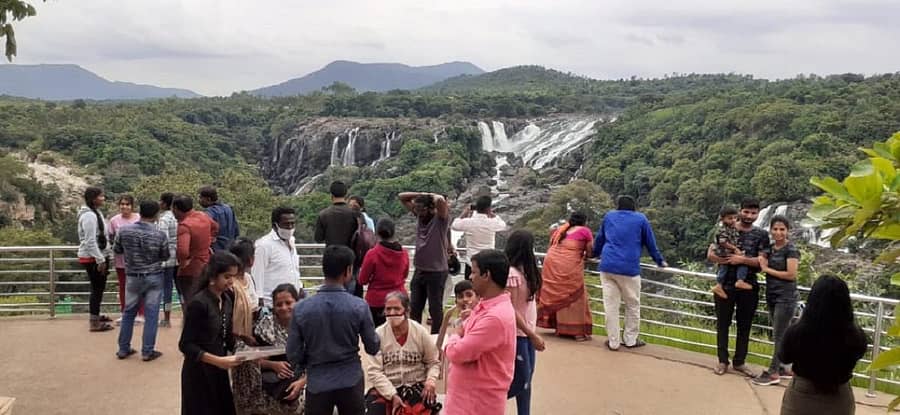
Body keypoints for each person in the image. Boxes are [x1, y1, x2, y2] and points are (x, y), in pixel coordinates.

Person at [287, 245, 380, 415]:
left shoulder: (301, 309)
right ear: (348, 270)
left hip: (317, 382)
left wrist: (307, 363)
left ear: (324, 269)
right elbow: (373, 347)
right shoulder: (359, 306)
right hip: (350, 379)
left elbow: (293, 352)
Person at [778, 275, 867, 415]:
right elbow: (858, 354)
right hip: (839, 396)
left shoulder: (797, 332)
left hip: (802, 395)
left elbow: (784, 357)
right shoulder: (855, 335)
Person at [443, 250, 516, 415]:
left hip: (476, 403)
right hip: (466, 398)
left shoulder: (495, 318)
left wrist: (455, 334)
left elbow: (456, 353)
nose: (470, 277)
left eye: (474, 272)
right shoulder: (485, 306)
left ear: (486, 275)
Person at [593, 196, 668, 350]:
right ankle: (630, 340)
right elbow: (650, 243)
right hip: (629, 269)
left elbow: (600, 239)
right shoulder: (641, 219)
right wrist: (659, 261)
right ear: (634, 207)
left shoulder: (609, 216)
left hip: (607, 267)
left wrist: (593, 254)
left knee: (611, 306)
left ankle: (613, 342)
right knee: (632, 304)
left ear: (618, 206)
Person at [707, 198, 770, 377]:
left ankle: (740, 362)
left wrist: (742, 260)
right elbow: (711, 253)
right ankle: (722, 361)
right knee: (722, 324)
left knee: (745, 326)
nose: (749, 216)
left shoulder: (761, 235)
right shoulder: (726, 229)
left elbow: (762, 262)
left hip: (748, 286)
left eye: (753, 213)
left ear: (758, 214)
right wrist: (724, 259)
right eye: (746, 212)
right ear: (739, 211)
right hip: (725, 286)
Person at [178, 251, 246, 415]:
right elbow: (186, 345)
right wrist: (217, 360)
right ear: (213, 276)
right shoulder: (199, 303)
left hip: (219, 369)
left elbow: (226, 336)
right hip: (198, 372)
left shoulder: (227, 299)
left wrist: (248, 350)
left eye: (234, 277)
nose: (231, 282)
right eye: (227, 277)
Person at [233, 284, 307, 415]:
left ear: (297, 302)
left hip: (303, 379)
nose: (284, 308)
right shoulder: (265, 326)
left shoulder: (307, 325)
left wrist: (301, 382)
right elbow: (249, 355)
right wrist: (273, 365)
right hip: (270, 382)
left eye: (288, 303)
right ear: (273, 306)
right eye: (279, 304)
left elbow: (318, 359)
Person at [364, 291, 441, 415]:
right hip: (386, 388)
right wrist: (392, 395)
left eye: (396, 308)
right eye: (388, 309)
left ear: (406, 311)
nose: (392, 313)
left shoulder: (420, 332)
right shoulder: (378, 334)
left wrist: (430, 381)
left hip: (415, 386)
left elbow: (433, 362)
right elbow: (374, 371)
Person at [113, 201, 169, 361]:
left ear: (140, 212)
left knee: (129, 312)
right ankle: (147, 351)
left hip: (132, 276)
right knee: (151, 314)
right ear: (156, 215)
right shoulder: (159, 235)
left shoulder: (124, 231)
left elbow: (117, 250)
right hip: (154, 277)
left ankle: (123, 349)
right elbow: (165, 256)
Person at [752, 215, 801, 386]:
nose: (778, 232)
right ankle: (784, 367)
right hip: (772, 295)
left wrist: (766, 269)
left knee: (779, 336)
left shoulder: (791, 250)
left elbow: (791, 274)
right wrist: (761, 259)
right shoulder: (771, 248)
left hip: (786, 297)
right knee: (780, 333)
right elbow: (761, 256)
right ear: (770, 230)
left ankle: (773, 373)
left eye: (782, 229)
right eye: (775, 229)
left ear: (788, 231)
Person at [505, 230, 546, 415]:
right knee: (521, 380)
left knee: (527, 380)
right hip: (518, 334)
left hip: (527, 334)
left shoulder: (527, 272)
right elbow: (509, 309)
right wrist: (532, 334)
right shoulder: (512, 274)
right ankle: (487, 403)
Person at [398, 192, 451, 335]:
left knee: (435, 308)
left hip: (437, 271)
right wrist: (421, 195)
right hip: (420, 269)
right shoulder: (420, 217)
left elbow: (440, 200)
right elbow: (402, 196)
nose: (419, 213)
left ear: (431, 208)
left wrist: (430, 196)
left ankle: (435, 338)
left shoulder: (440, 220)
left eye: (423, 210)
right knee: (415, 307)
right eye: (417, 209)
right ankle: (415, 336)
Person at [537, 212, 594, 342]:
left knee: (559, 294)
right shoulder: (585, 231)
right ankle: (576, 332)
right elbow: (590, 251)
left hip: (551, 263)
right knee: (574, 295)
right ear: (584, 221)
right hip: (568, 265)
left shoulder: (562, 230)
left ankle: (558, 326)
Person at [358, 218, 409, 327]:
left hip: (376, 302)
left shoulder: (372, 254)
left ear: (377, 233)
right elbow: (404, 275)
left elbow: (362, 280)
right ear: (394, 232)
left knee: (377, 337)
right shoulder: (403, 253)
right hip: (399, 299)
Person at [315, 181, 363, 295]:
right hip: (350, 261)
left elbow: (318, 238)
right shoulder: (354, 214)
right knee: (350, 295)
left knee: (331, 294)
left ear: (331, 195)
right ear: (346, 195)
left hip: (330, 260)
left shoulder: (323, 214)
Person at [77, 186, 114, 332]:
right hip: (93, 258)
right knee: (97, 289)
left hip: (98, 255)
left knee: (99, 288)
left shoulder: (95, 213)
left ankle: (96, 315)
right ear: (94, 199)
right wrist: (100, 259)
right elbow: (90, 241)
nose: (103, 198)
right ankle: (94, 322)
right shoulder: (89, 216)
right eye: (101, 196)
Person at [173, 195, 219, 306]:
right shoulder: (203, 216)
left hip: (190, 269)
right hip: (206, 265)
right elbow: (215, 227)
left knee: (190, 301)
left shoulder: (184, 226)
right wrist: (209, 240)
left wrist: (183, 262)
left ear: (176, 208)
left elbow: (183, 251)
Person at [252, 207, 301, 308]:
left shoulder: (291, 241)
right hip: (271, 304)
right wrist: (259, 301)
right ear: (275, 225)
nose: (290, 227)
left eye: (292, 223)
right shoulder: (264, 245)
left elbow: (294, 269)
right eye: (286, 224)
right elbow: (257, 274)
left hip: (291, 303)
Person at [451, 195, 507, 280]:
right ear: (488, 208)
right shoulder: (492, 223)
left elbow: (454, 225)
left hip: (471, 264)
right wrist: (491, 214)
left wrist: (465, 212)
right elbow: (503, 224)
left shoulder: (469, 222)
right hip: (488, 263)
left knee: (469, 290)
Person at [108, 194, 141, 324]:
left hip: (138, 261)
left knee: (138, 287)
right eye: (122, 204)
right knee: (123, 287)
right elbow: (110, 238)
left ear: (132, 206)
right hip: (121, 260)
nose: (124, 206)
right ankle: (125, 313)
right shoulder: (114, 221)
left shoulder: (139, 218)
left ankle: (140, 314)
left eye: (127, 204)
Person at [228, 237, 262, 346]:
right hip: (235, 340)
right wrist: (242, 337)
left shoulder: (248, 279)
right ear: (251, 260)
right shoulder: (230, 285)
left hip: (251, 334)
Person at [711, 207, 751, 299]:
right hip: (724, 252)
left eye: (735, 218)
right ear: (723, 219)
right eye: (730, 218)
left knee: (725, 267)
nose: (733, 220)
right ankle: (739, 281)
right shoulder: (723, 229)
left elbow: (735, 238)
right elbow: (723, 242)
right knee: (742, 262)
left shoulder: (732, 228)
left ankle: (720, 285)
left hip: (728, 251)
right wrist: (736, 249)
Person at [435, 280, 479, 351]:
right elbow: (439, 345)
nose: (465, 299)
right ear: (456, 302)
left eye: (469, 295)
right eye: (460, 297)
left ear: (478, 297)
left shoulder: (481, 318)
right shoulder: (456, 321)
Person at [157, 192, 179, 328]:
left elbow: (162, 239)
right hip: (180, 257)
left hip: (168, 259)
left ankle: (166, 318)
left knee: (167, 289)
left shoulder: (164, 219)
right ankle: (186, 316)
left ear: (165, 203)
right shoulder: (178, 218)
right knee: (182, 288)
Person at [198, 186, 240, 252]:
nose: (199, 200)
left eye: (201, 198)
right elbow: (236, 230)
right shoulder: (228, 208)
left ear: (208, 199)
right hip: (230, 249)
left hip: (217, 250)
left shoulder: (209, 212)